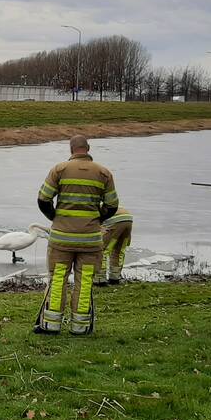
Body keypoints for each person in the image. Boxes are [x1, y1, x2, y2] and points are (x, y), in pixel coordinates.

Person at [34, 135, 118, 335]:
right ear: (88, 148)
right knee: (85, 279)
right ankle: (80, 327)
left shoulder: (59, 170)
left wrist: (55, 217)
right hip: (90, 240)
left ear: (71, 150)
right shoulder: (104, 173)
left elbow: (43, 199)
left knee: (58, 278)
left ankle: (51, 324)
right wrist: (97, 219)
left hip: (62, 239)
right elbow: (112, 206)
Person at [95, 207, 133, 286]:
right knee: (119, 251)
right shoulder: (100, 203)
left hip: (114, 219)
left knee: (102, 250)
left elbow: (89, 222)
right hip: (128, 217)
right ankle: (115, 278)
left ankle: (100, 279)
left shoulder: (88, 209)